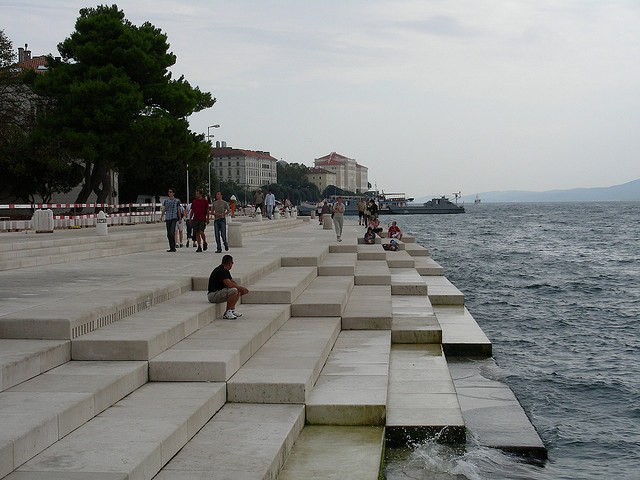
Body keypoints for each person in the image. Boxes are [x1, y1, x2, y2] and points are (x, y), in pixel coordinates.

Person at [207, 254, 249, 319]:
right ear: (229, 263)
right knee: (234, 290)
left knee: (237, 290)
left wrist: (240, 288)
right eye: (232, 263)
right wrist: (241, 288)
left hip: (218, 293)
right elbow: (229, 284)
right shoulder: (221, 270)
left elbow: (232, 282)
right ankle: (227, 312)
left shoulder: (225, 270)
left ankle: (232, 309)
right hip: (213, 295)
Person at [160, 188, 182, 252]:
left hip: (174, 218)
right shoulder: (166, 201)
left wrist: (180, 218)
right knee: (168, 234)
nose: (169, 193)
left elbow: (178, 210)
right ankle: (171, 247)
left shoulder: (176, 201)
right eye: (169, 192)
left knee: (172, 232)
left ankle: (173, 246)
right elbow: (164, 209)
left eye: (170, 192)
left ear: (173, 193)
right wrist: (161, 216)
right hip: (168, 218)